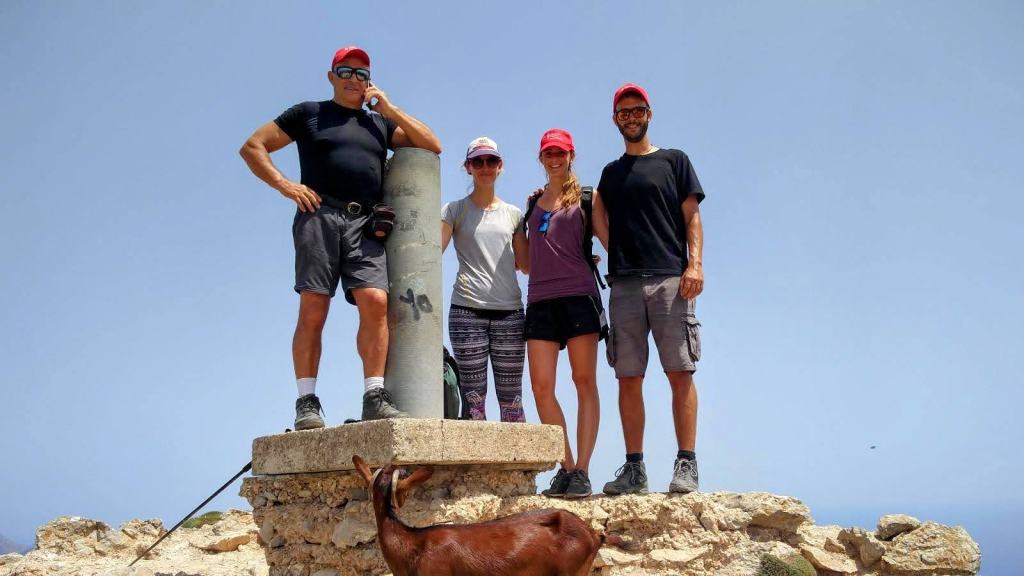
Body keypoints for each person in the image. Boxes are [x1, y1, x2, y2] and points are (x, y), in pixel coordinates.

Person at [240, 46, 442, 429]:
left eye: (362, 73)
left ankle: (374, 394)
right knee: (314, 309)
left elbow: (432, 144)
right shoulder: (308, 114)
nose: (354, 79)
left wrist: (390, 109)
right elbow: (253, 146)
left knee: (376, 301)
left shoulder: (378, 125)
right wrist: (286, 185)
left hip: (364, 222)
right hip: (318, 216)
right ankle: (307, 402)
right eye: (345, 71)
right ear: (330, 75)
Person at [593, 83, 706, 495]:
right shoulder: (610, 173)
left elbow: (692, 218)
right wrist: (615, 250)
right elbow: (597, 213)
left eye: (637, 110)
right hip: (623, 284)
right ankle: (634, 468)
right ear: (615, 120)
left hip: (670, 280)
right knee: (628, 377)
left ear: (649, 113)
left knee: (680, 371)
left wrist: (694, 264)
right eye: (624, 112)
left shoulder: (674, 162)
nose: (631, 117)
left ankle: (687, 464)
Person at [525, 128, 604, 499]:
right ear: (541, 158)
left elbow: (610, 240)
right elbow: (525, 263)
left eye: (561, 152)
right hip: (540, 300)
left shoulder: (589, 198)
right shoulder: (532, 204)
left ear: (571, 155)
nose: (554, 158)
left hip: (578, 297)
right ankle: (566, 466)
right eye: (548, 153)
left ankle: (584, 470)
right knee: (542, 387)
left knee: (583, 381)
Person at [441, 137, 529, 422]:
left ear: (500, 166)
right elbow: (431, 253)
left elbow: (526, 265)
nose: (485, 166)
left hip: (510, 315)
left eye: (490, 160)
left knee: (512, 403)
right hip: (467, 313)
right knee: (474, 405)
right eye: (477, 161)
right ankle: (474, 468)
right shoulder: (454, 210)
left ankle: (516, 466)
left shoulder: (515, 214)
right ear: (468, 167)